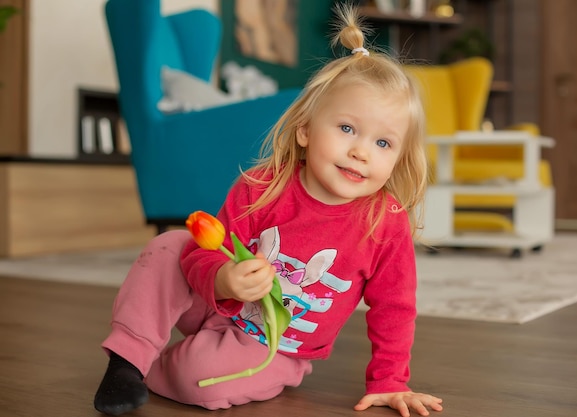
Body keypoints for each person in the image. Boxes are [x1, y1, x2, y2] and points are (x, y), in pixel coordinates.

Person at [94, 5, 443, 417]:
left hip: (275, 346)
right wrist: (223, 279)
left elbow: (395, 307)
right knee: (171, 245)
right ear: (306, 130)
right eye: (347, 128)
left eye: (383, 143)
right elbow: (205, 254)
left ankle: (167, 362)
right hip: (214, 303)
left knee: (199, 380)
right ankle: (128, 362)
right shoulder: (262, 186)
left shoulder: (384, 221)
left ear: (399, 159)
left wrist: (389, 381)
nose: (360, 151)